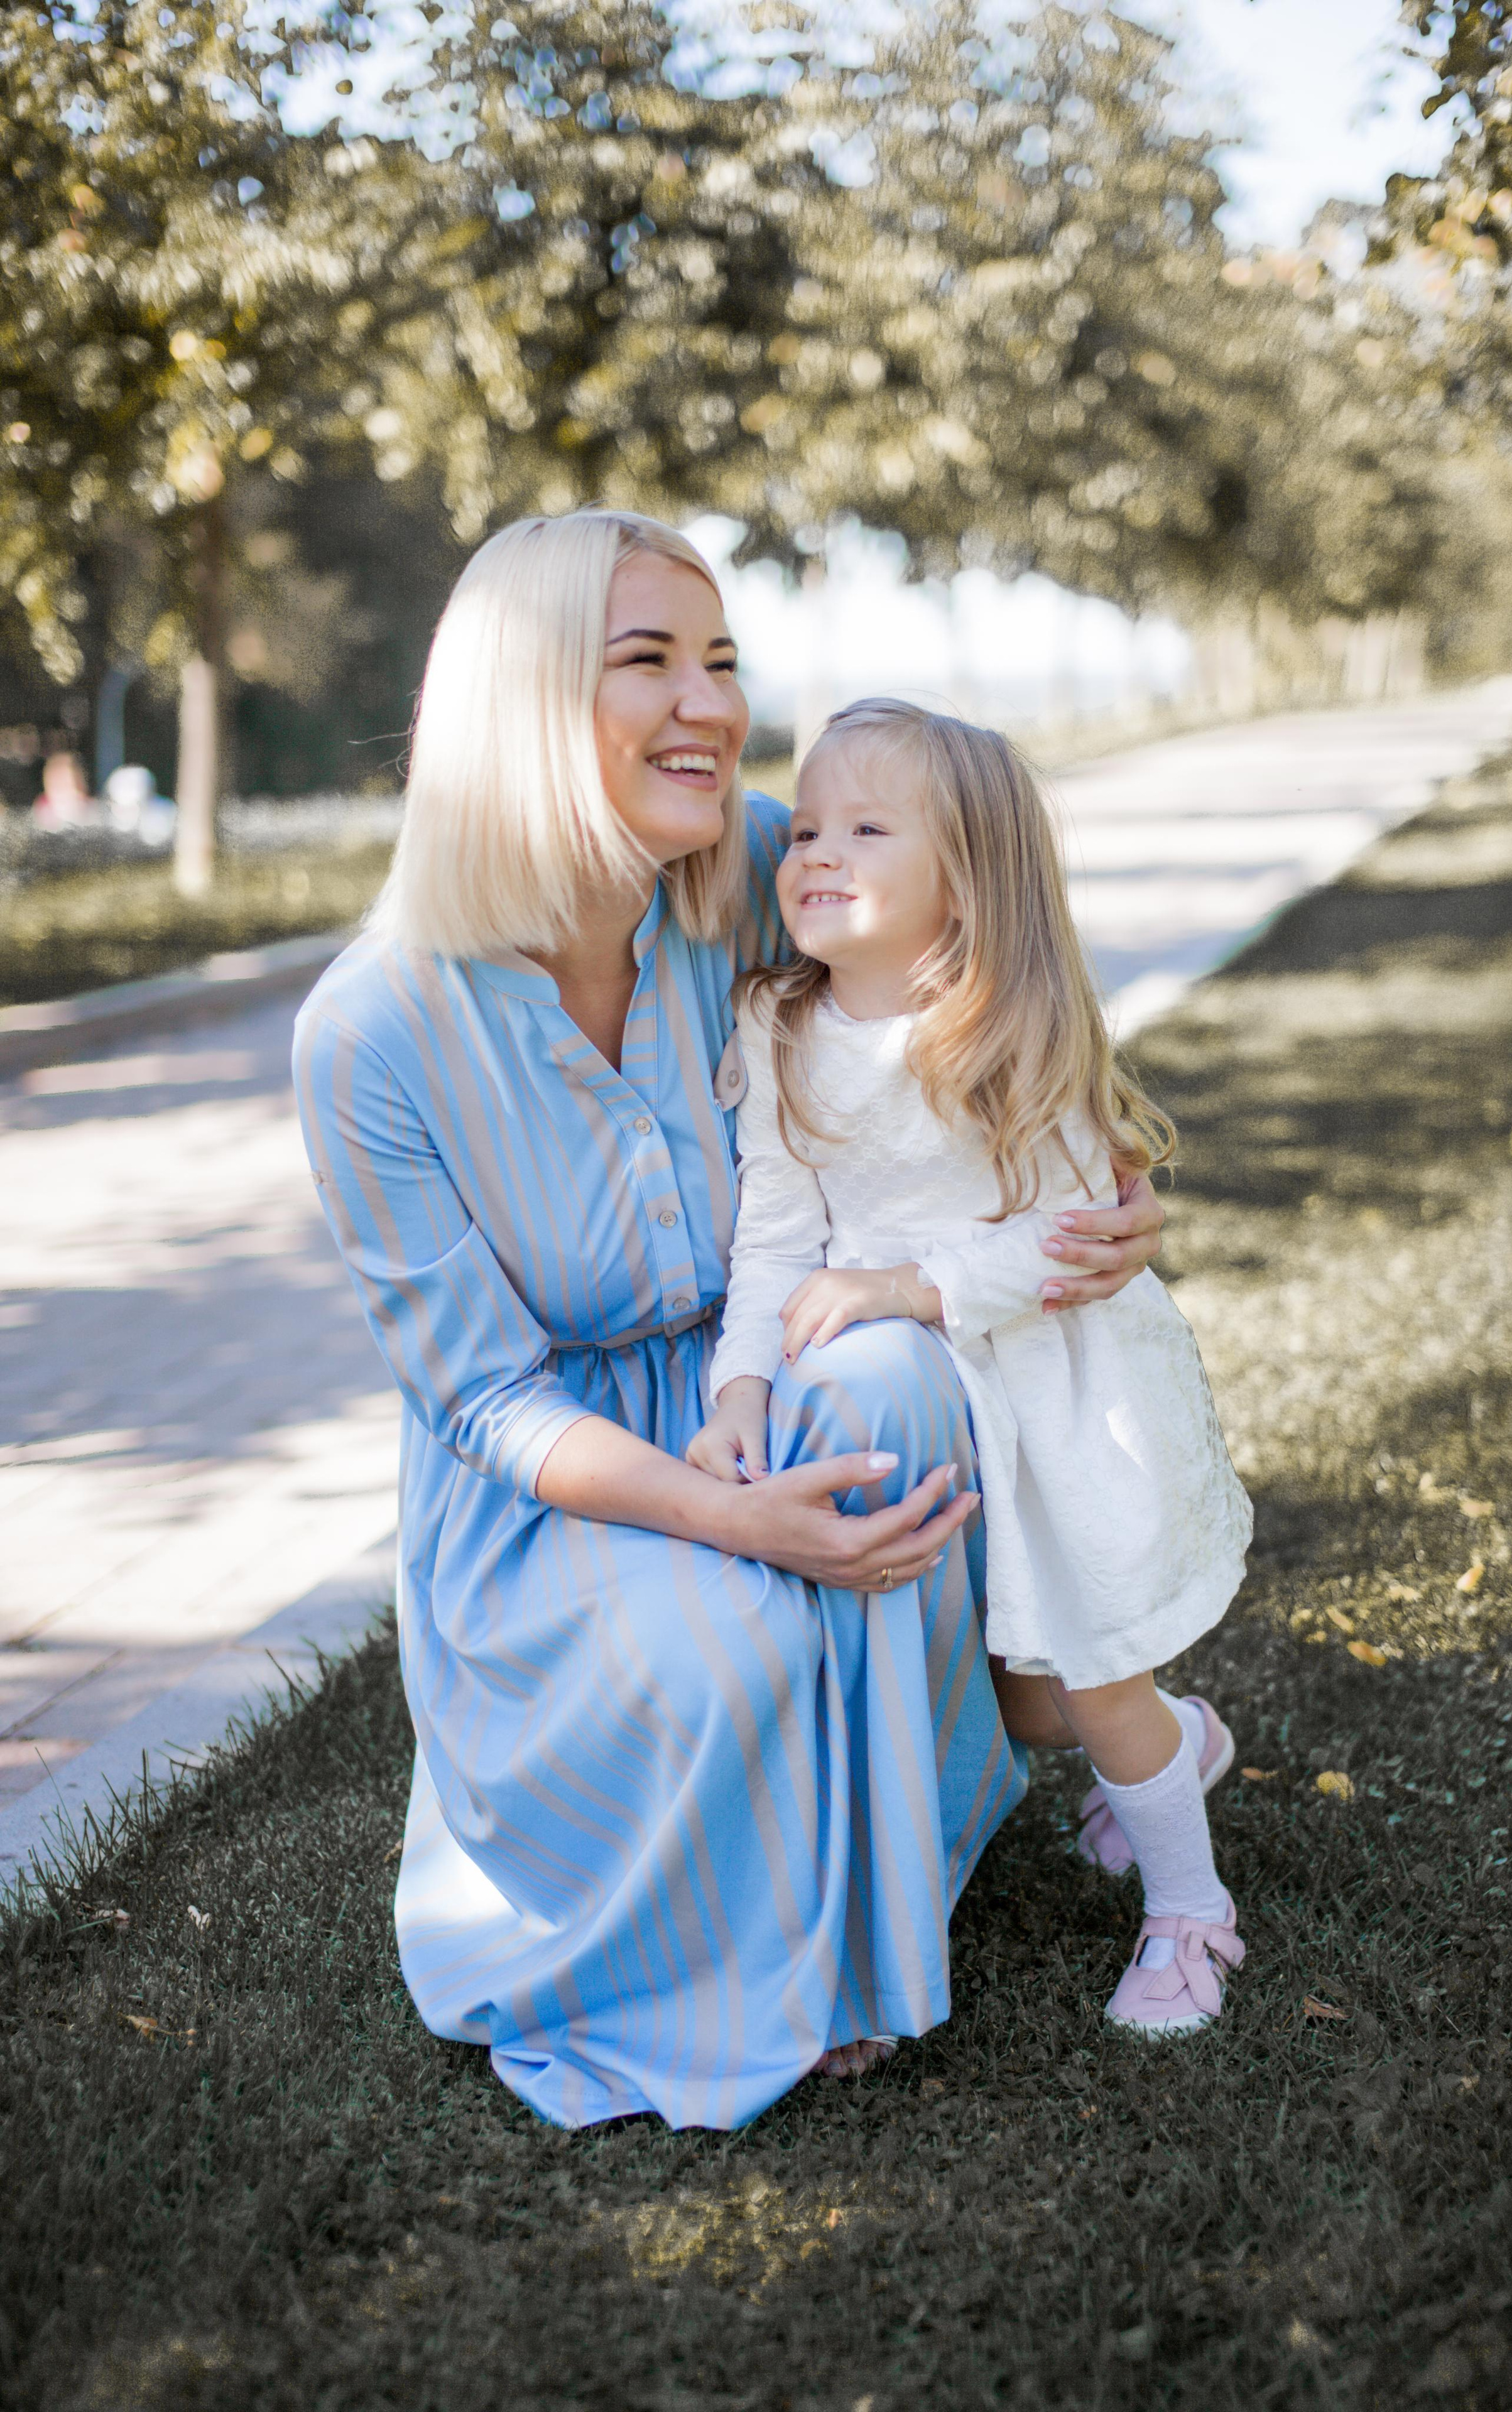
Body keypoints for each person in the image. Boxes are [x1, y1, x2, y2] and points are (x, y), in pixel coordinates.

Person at [293, 513, 1165, 2129]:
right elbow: (482, 1406)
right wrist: (735, 1518)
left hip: (773, 1375)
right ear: (522, 699)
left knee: (900, 1378)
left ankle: (868, 1924)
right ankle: (765, 1933)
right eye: (647, 662)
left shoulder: (767, 865)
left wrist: (1091, 1174)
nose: (708, 704)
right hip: (555, 1491)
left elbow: (986, 955)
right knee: (738, 1650)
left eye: (720, 663)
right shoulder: (369, 1032)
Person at [692, 698, 1253, 2037]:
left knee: (1089, 1676)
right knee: (1015, 1702)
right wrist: (738, 1394)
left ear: (967, 880)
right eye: (807, 824)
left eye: (867, 828)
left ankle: (1189, 1910)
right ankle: (1185, 1745)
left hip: (1049, 1395)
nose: (816, 850)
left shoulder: (1007, 1030)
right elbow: (771, 1241)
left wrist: (900, 1289)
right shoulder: (779, 1028)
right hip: (935, 1413)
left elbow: (1061, 1247)